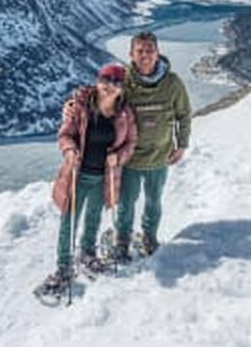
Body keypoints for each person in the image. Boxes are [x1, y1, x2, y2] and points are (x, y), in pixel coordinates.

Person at [63, 31, 191, 260]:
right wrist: (72, 105)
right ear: (131, 54)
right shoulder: (125, 82)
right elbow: (99, 95)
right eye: (140, 51)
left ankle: (150, 237)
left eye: (150, 50)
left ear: (158, 52)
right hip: (130, 158)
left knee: (154, 201)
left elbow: (184, 114)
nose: (145, 55)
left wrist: (181, 144)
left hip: (160, 156)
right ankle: (122, 239)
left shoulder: (173, 84)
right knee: (125, 203)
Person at [41, 63, 138, 294]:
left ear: (122, 88)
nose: (110, 86)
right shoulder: (81, 106)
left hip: (103, 177)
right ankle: (64, 265)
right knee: (69, 222)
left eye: (116, 82)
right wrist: (70, 150)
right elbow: (65, 134)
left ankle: (87, 253)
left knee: (93, 217)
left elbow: (131, 143)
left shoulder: (125, 114)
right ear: (98, 80)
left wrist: (118, 156)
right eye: (106, 79)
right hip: (77, 173)